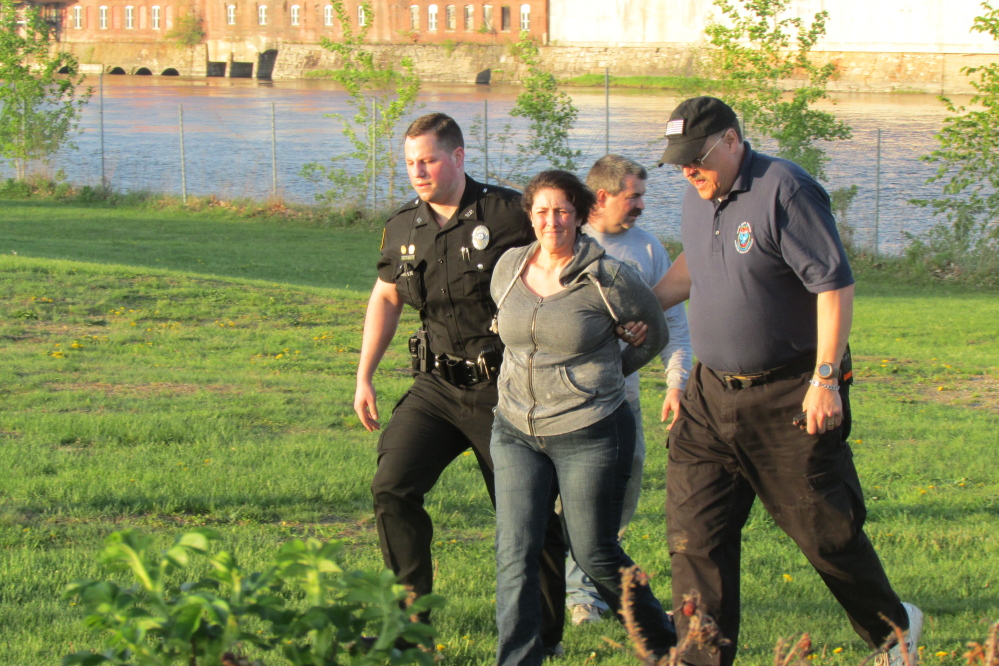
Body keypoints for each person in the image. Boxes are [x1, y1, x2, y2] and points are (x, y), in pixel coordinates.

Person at [653, 96, 921, 666]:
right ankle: (701, 658)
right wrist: (646, 309)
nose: (686, 169)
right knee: (695, 541)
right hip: (709, 395)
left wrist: (825, 379)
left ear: (730, 140)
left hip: (789, 396)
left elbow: (833, 285)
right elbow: (695, 265)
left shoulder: (785, 190)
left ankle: (893, 630)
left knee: (825, 532)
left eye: (695, 157)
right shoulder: (697, 195)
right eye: (677, 160)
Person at [353, 112, 566, 652]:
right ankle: (408, 624)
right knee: (391, 487)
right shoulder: (403, 225)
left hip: (506, 390)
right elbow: (386, 296)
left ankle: (542, 633)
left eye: (427, 160)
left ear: (459, 156)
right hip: (436, 389)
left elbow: (563, 262)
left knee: (526, 513)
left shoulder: (508, 213)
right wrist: (365, 375)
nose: (417, 172)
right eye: (409, 163)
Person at [489, 169, 677, 666]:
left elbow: (653, 332)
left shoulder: (609, 276)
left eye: (562, 210)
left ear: (580, 215)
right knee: (515, 552)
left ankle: (667, 648)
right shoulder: (508, 267)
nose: (552, 221)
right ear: (530, 216)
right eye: (542, 211)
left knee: (594, 554)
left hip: (588, 430)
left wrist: (606, 375)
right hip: (515, 430)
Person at [565, 154, 693, 626]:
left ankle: (600, 585)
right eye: (633, 196)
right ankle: (583, 596)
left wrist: (676, 381)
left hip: (624, 394)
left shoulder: (648, 249)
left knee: (621, 489)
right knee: (576, 495)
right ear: (602, 197)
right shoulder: (567, 240)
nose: (642, 204)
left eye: (641, 195)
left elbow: (673, 323)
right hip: (570, 393)